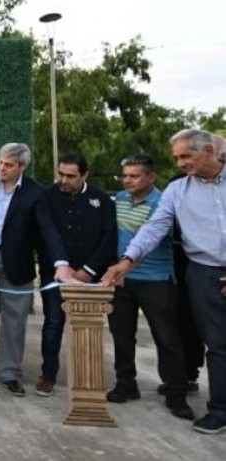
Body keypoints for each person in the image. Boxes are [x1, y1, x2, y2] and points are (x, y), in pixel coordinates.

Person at [102, 129, 226, 434]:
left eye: (186, 156)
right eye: (177, 158)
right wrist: (127, 261)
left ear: (209, 150)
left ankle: (183, 392)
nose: (181, 163)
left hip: (168, 278)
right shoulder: (176, 191)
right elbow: (154, 228)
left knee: (172, 338)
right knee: (218, 345)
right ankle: (220, 410)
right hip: (204, 272)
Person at [0, 143, 77, 397]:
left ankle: (10, 374)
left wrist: (61, 263)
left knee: (15, 320)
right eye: (0, 162)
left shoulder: (36, 192)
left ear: (22, 166)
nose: (2, 168)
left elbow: (47, 229)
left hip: (17, 265)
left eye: (8, 165)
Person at [104, 154, 195, 420]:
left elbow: (154, 237)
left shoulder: (164, 202)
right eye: (125, 176)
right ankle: (126, 384)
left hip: (156, 279)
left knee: (167, 338)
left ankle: (176, 393)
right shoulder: (119, 200)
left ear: (151, 177)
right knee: (121, 335)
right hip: (122, 280)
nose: (128, 181)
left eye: (134, 176)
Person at [35, 153, 117, 397]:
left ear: (85, 175)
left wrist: (88, 270)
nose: (64, 180)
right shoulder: (47, 197)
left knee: (88, 326)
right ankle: (48, 375)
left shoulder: (101, 200)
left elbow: (109, 237)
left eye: (71, 176)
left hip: (90, 277)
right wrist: (62, 266)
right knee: (53, 323)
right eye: (61, 174)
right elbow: (48, 232)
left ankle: (86, 377)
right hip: (55, 274)